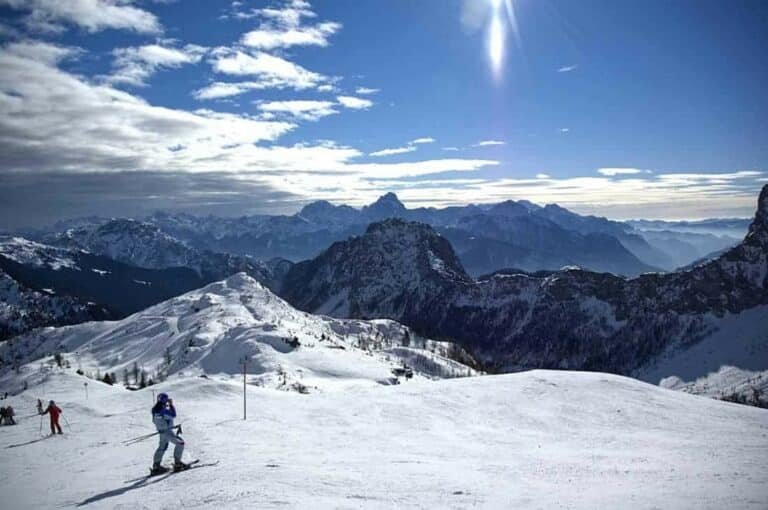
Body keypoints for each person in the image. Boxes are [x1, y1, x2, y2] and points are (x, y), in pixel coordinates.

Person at [151, 393, 189, 474]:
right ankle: (177, 464)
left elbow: (156, 420)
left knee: (162, 448)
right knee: (180, 443)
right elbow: (173, 415)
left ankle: (156, 466)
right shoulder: (163, 409)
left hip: (162, 431)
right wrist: (171, 405)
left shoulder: (154, 409)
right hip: (167, 432)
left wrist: (165, 426)